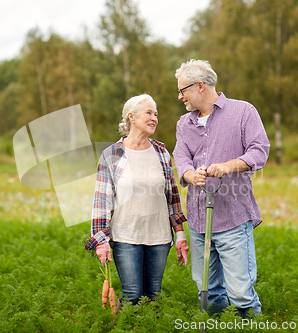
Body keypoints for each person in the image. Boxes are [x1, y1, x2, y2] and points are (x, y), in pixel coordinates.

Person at [172, 59, 270, 318]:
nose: (180, 96)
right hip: (197, 221)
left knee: (240, 293)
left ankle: (250, 324)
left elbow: (259, 151)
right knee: (207, 289)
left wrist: (227, 166)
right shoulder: (184, 123)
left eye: (183, 90)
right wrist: (189, 174)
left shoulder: (243, 112)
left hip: (232, 219)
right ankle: (217, 324)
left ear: (200, 86)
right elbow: (180, 155)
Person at [85, 94, 189, 311]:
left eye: (156, 114)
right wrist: (101, 240)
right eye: (149, 113)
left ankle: (147, 326)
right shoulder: (111, 154)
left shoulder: (161, 151)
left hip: (159, 236)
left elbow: (172, 197)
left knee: (153, 296)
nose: (154, 118)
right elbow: (102, 202)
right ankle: (124, 324)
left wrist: (179, 235)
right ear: (131, 117)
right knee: (132, 296)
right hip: (126, 236)